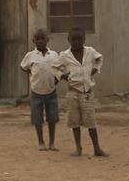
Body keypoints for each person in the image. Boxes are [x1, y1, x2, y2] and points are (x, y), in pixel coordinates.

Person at [53, 26, 107, 157]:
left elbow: (100, 59)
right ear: (68, 40)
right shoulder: (64, 55)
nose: (76, 42)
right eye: (73, 39)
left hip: (87, 93)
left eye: (79, 39)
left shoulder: (90, 52)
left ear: (84, 39)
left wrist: (94, 70)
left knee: (91, 122)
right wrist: (63, 76)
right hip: (73, 93)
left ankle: (97, 148)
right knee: (74, 121)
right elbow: (54, 68)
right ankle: (78, 148)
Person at [19, 29, 59, 151]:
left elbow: (59, 69)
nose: (40, 41)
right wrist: (32, 73)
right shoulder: (30, 56)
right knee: (37, 118)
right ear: (34, 41)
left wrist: (56, 79)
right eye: (38, 39)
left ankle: (52, 142)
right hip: (36, 92)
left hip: (51, 91)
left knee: (52, 118)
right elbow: (23, 67)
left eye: (43, 38)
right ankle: (41, 142)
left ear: (47, 40)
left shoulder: (53, 55)